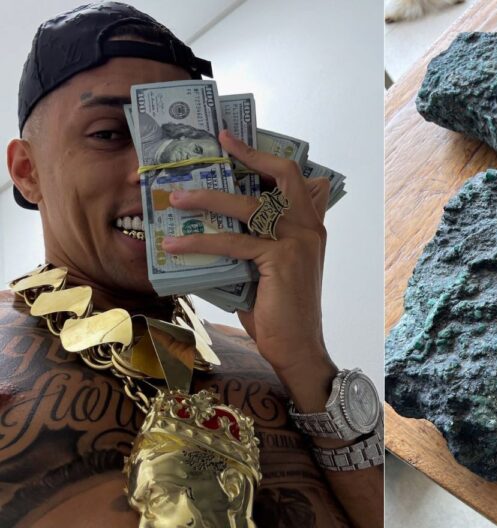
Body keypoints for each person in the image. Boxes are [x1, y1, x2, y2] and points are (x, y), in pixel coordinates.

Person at [1, 2, 383, 527]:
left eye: (183, 140)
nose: (156, 171)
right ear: (27, 172)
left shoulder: (260, 350)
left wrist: (306, 357)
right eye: (109, 134)